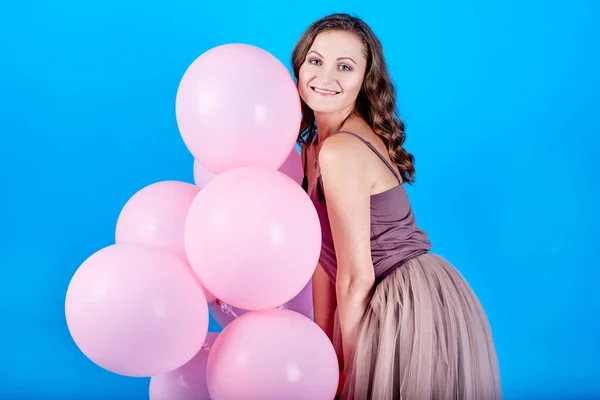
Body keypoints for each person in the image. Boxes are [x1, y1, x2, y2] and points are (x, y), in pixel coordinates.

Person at [292, 13, 502, 400]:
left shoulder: (341, 150)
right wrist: (323, 352)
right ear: (300, 64)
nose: (325, 77)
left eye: (345, 66)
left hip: (402, 297)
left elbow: (356, 278)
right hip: (366, 296)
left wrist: (353, 373)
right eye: (316, 61)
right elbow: (324, 257)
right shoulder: (312, 149)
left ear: (364, 80)